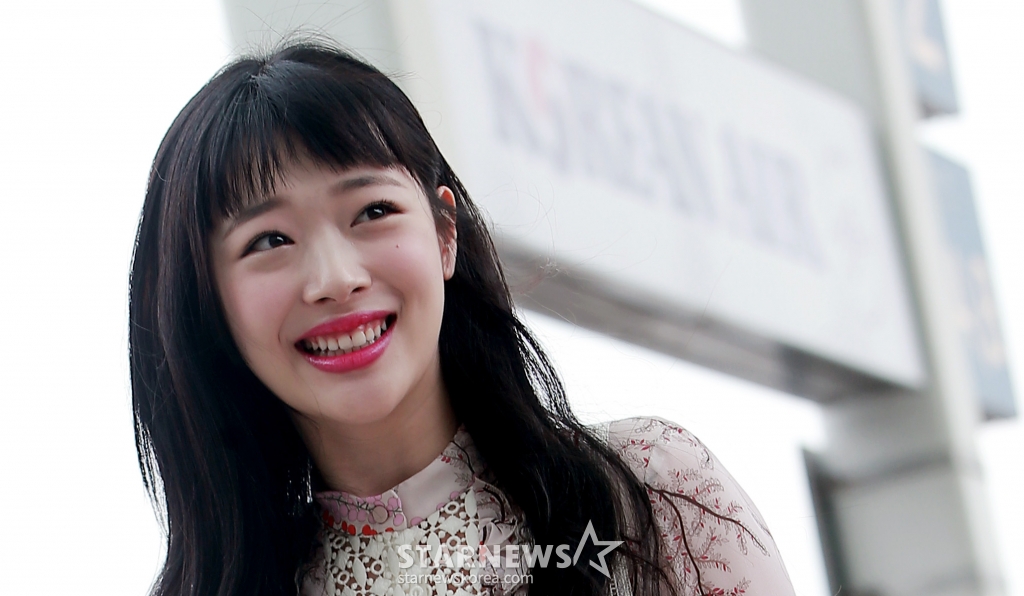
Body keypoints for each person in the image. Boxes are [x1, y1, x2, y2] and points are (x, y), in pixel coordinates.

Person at [129, 42, 795, 596]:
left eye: (373, 211)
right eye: (269, 241)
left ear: (444, 233)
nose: (335, 278)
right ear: (208, 304)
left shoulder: (648, 494)